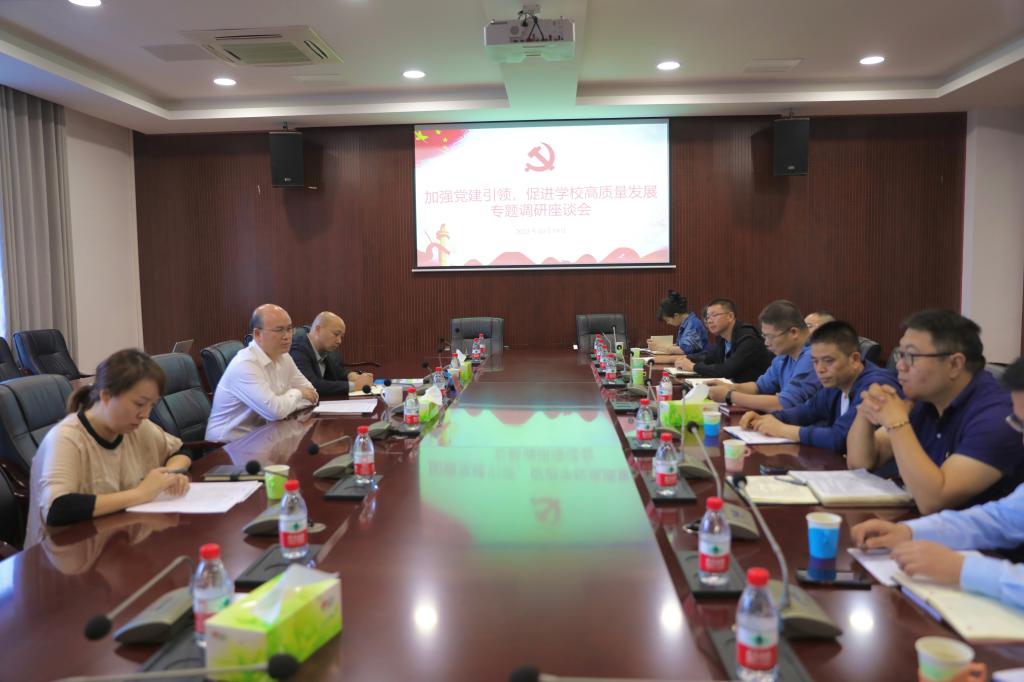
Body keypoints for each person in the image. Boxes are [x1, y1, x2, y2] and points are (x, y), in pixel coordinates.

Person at [851, 357, 1024, 610]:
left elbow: (933, 499)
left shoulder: (988, 413)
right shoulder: (923, 405)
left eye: (913, 356)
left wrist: (963, 569)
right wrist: (909, 532)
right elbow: (998, 519)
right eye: (1020, 424)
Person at [847, 309, 1024, 514]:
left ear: (954, 364)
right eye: (900, 354)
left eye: (910, 356)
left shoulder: (998, 416)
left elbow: (933, 501)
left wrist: (897, 423)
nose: (900, 366)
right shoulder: (927, 399)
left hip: (982, 533)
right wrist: (867, 411)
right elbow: (860, 463)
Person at [25, 349, 192, 547]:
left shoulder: (137, 427)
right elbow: (57, 508)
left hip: (116, 540)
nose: (145, 414)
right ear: (105, 396)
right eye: (139, 404)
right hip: (64, 551)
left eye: (152, 405)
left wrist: (169, 475)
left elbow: (181, 451)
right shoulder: (66, 438)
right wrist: (140, 494)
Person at [740, 320, 899, 453]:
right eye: (815, 361)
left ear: (855, 359)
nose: (820, 369)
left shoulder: (875, 385)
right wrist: (770, 419)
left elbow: (841, 438)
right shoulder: (836, 381)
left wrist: (783, 430)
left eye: (828, 361)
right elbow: (808, 411)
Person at [205, 304, 318, 442]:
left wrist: (285, 404)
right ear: (258, 334)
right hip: (226, 446)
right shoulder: (245, 364)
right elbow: (276, 412)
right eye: (279, 330)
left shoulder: (284, 356)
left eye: (289, 329)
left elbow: (312, 395)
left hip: (263, 436)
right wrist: (298, 393)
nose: (287, 336)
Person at [707, 299, 820, 412]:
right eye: (764, 336)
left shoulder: (814, 357)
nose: (766, 343)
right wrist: (728, 387)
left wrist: (729, 395)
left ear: (793, 332)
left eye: (770, 336)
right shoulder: (784, 356)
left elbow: (783, 404)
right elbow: (759, 387)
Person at [673, 298, 773, 383]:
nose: (709, 321)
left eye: (714, 315)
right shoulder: (722, 337)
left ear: (730, 316)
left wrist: (693, 367)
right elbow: (711, 357)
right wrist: (686, 359)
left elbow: (727, 370)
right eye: (708, 317)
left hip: (755, 393)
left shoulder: (748, 338)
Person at [290, 311, 374, 395]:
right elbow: (311, 385)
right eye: (336, 334)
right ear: (318, 329)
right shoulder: (298, 349)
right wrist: (354, 386)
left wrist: (351, 376)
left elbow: (338, 371)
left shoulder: (329, 350)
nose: (339, 341)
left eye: (341, 337)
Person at [649, 290, 709, 355]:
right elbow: (680, 346)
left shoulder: (693, 324)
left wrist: (657, 347)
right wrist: (656, 344)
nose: (667, 323)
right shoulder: (686, 323)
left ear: (676, 315)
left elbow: (684, 350)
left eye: (667, 320)